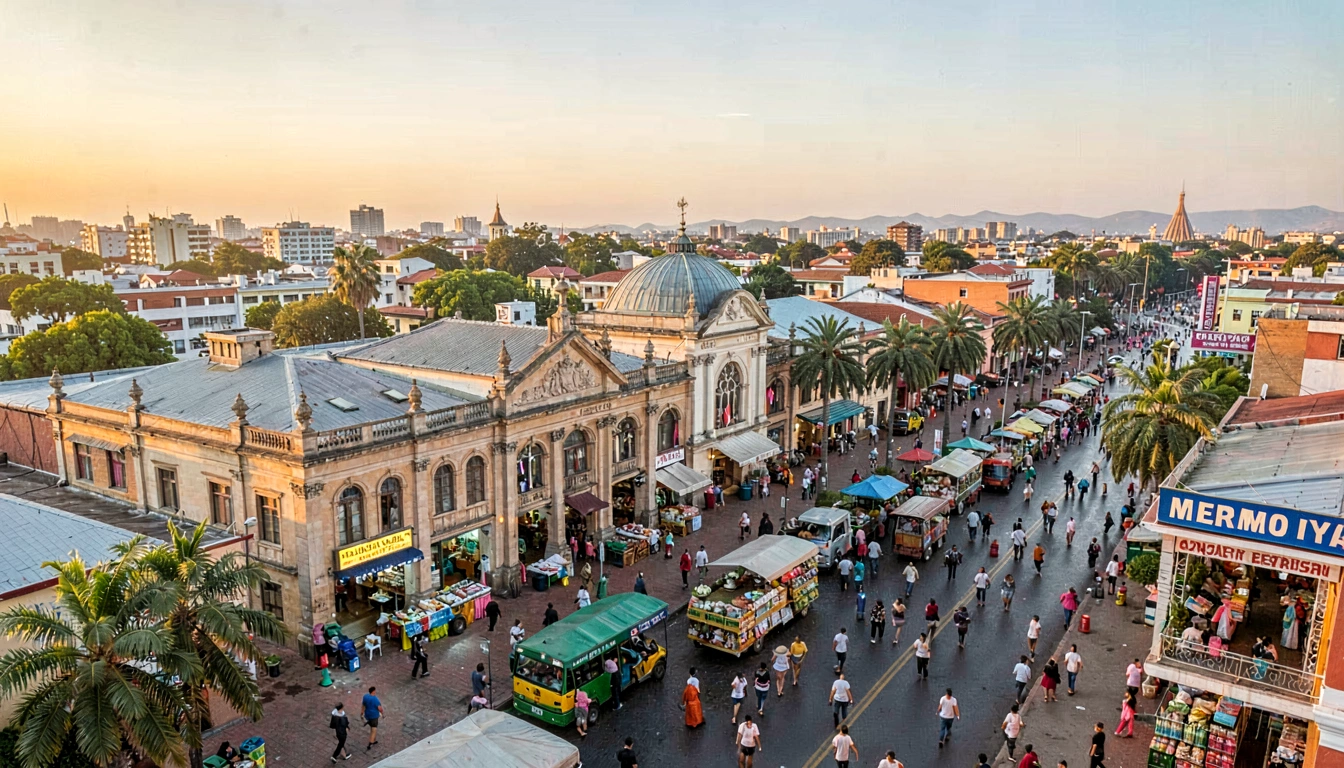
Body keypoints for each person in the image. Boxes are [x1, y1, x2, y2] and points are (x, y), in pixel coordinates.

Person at [361, 686, 383, 751]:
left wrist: (362, 713)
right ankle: (371, 743)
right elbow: (380, 708)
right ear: (373, 691)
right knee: (374, 730)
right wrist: (382, 713)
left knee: (372, 727)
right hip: (374, 716)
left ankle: (374, 739)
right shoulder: (375, 699)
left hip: (367, 715)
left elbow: (363, 705)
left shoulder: (365, 696)